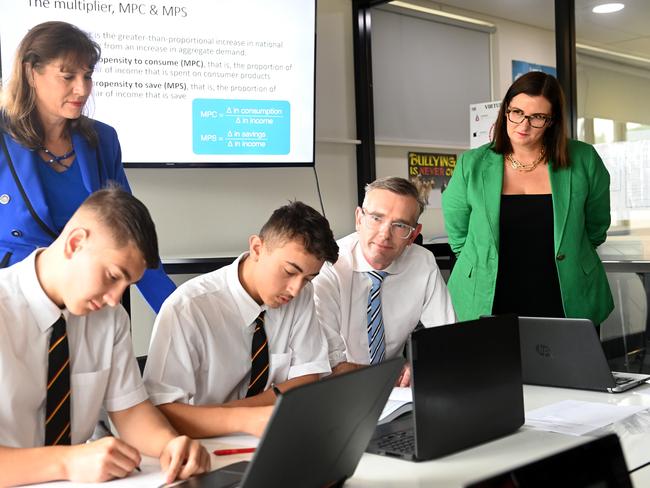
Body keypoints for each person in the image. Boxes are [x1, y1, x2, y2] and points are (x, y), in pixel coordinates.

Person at [0, 187, 210, 486]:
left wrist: (169, 445)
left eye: (127, 284)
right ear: (75, 244)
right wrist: (67, 462)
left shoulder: (110, 319)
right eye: (113, 276)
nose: (115, 298)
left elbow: (130, 410)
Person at [0, 20, 174, 312]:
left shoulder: (103, 140)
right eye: (67, 76)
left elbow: (128, 229)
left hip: (92, 300)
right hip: (13, 303)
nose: (81, 89)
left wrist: (177, 313)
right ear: (32, 72)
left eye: (88, 75)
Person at [144, 201, 339, 438]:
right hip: (202, 443)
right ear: (257, 248)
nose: (296, 289)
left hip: (270, 435)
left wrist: (230, 415)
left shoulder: (300, 295)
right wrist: (243, 419)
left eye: (308, 278)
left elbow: (306, 380)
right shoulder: (188, 307)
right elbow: (161, 412)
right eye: (289, 272)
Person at [442, 71, 613, 325]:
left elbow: (596, 227)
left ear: (552, 121)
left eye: (537, 117)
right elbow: (458, 236)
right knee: (495, 365)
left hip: (566, 294)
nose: (523, 125)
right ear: (505, 111)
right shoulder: (472, 164)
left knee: (567, 366)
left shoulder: (584, 160)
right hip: (490, 294)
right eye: (517, 112)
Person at [313, 176, 456, 385]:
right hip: (339, 387)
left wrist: (419, 364)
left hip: (398, 391)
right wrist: (389, 376)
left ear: (413, 235)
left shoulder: (423, 262)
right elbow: (326, 365)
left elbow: (447, 339)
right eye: (376, 218)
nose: (384, 234)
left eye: (399, 225)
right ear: (359, 219)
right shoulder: (328, 266)